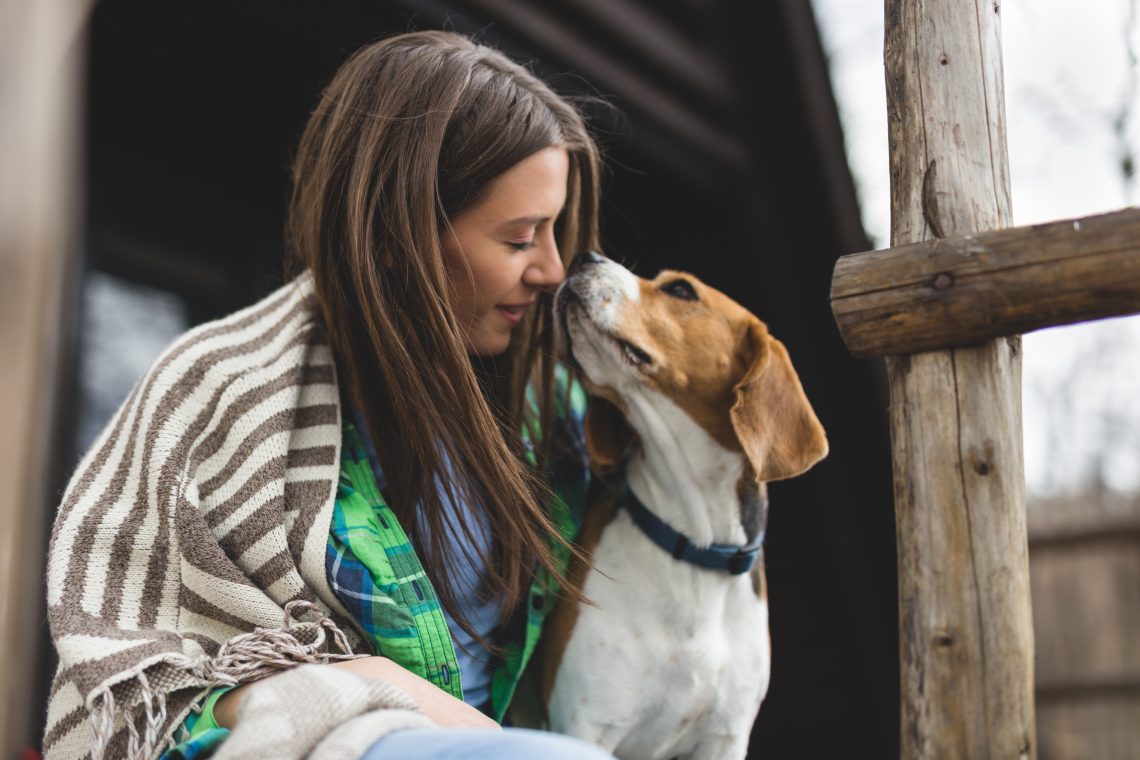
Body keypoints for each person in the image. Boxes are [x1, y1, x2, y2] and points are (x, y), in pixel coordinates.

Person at [42, 30, 615, 760]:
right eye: (519, 238)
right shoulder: (216, 390)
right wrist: (364, 681)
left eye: (554, 231)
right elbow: (139, 690)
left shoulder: (552, 414)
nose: (552, 269)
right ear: (396, 234)